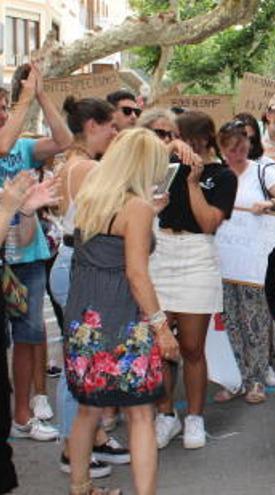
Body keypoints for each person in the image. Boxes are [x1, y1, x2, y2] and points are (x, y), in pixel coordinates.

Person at [64, 128, 180, 495]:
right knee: (141, 413)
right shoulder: (137, 208)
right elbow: (136, 273)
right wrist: (162, 327)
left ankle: (80, 487)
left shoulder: (89, 197)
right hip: (124, 321)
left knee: (88, 409)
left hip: (84, 317)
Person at [51, 97, 132, 479]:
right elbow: (109, 217)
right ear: (92, 126)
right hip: (81, 268)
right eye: (111, 126)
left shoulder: (77, 164)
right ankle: (73, 446)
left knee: (90, 356)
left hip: (78, 265)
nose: (115, 133)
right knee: (83, 361)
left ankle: (93, 435)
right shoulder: (84, 167)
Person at [151, 111, 237, 450]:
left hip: (197, 254)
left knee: (191, 347)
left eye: (186, 139)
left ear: (203, 140)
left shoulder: (223, 176)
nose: (182, 146)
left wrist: (192, 183)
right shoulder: (165, 164)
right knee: (160, 345)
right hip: (160, 251)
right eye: (176, 138)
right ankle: (165, 415)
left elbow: (208, 223)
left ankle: (195, 419)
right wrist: (171, 148)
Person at [1, 63, 72, 442]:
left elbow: (63, 141)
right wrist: (24, 98)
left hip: (26, 254)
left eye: (2, 105)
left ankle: (23, 415)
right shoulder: (6, 144)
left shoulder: (25, 147)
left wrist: (42, 95)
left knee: (28, 335)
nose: (1, 112)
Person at [216, 119, 275, 404]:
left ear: (248, 145)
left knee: (257, 322)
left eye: (240, 148)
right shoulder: (217, 174)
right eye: (229, 149)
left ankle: (256, 379)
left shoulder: (262, 170)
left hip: (253, 263)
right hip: (223, 262)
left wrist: (270, 204)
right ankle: (236, 377)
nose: (235, 155)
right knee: (231, 323)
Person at [1, 171, 59, 494]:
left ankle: (22, 415)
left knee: (27, 336)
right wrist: (11, 206)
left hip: (19, 266)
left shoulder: (17, 165)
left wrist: (23, 212)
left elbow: (21, 241)